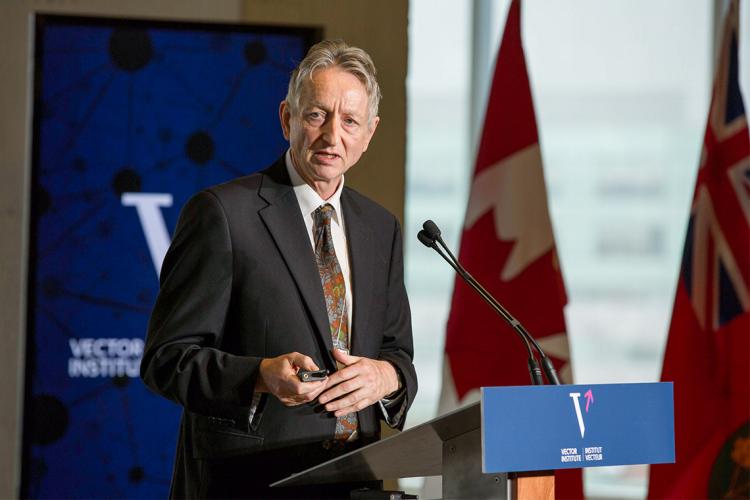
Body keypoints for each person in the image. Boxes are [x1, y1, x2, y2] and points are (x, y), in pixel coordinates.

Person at [140, 39, 417, 499]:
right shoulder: (223, 215)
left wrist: (386, 378)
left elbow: (397, 354)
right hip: (249, 484)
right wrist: (260, 375)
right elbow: (166, 360)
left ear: (369, 134)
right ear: (287, 117)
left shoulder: (380, 228)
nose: (333, 136)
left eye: (350, 121)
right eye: (317, 115)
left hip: (356, 483)